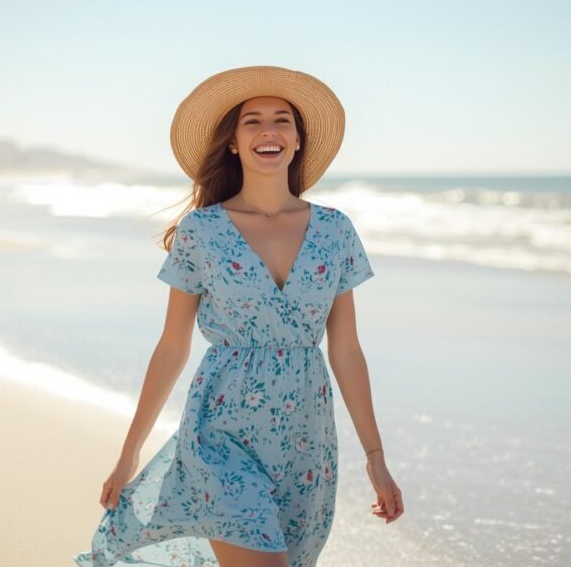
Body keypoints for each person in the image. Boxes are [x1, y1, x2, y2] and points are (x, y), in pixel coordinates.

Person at [73, 65, 403, 567]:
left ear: (298, 140)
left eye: (282, 120)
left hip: (306, 440)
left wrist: (375, 458)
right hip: (219, 435)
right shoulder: (201, 231)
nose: (269, 130)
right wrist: (129, 453)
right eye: (253, 121)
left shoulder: (335, 230)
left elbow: (347, 351)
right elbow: (171, 348)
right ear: (233, 142)